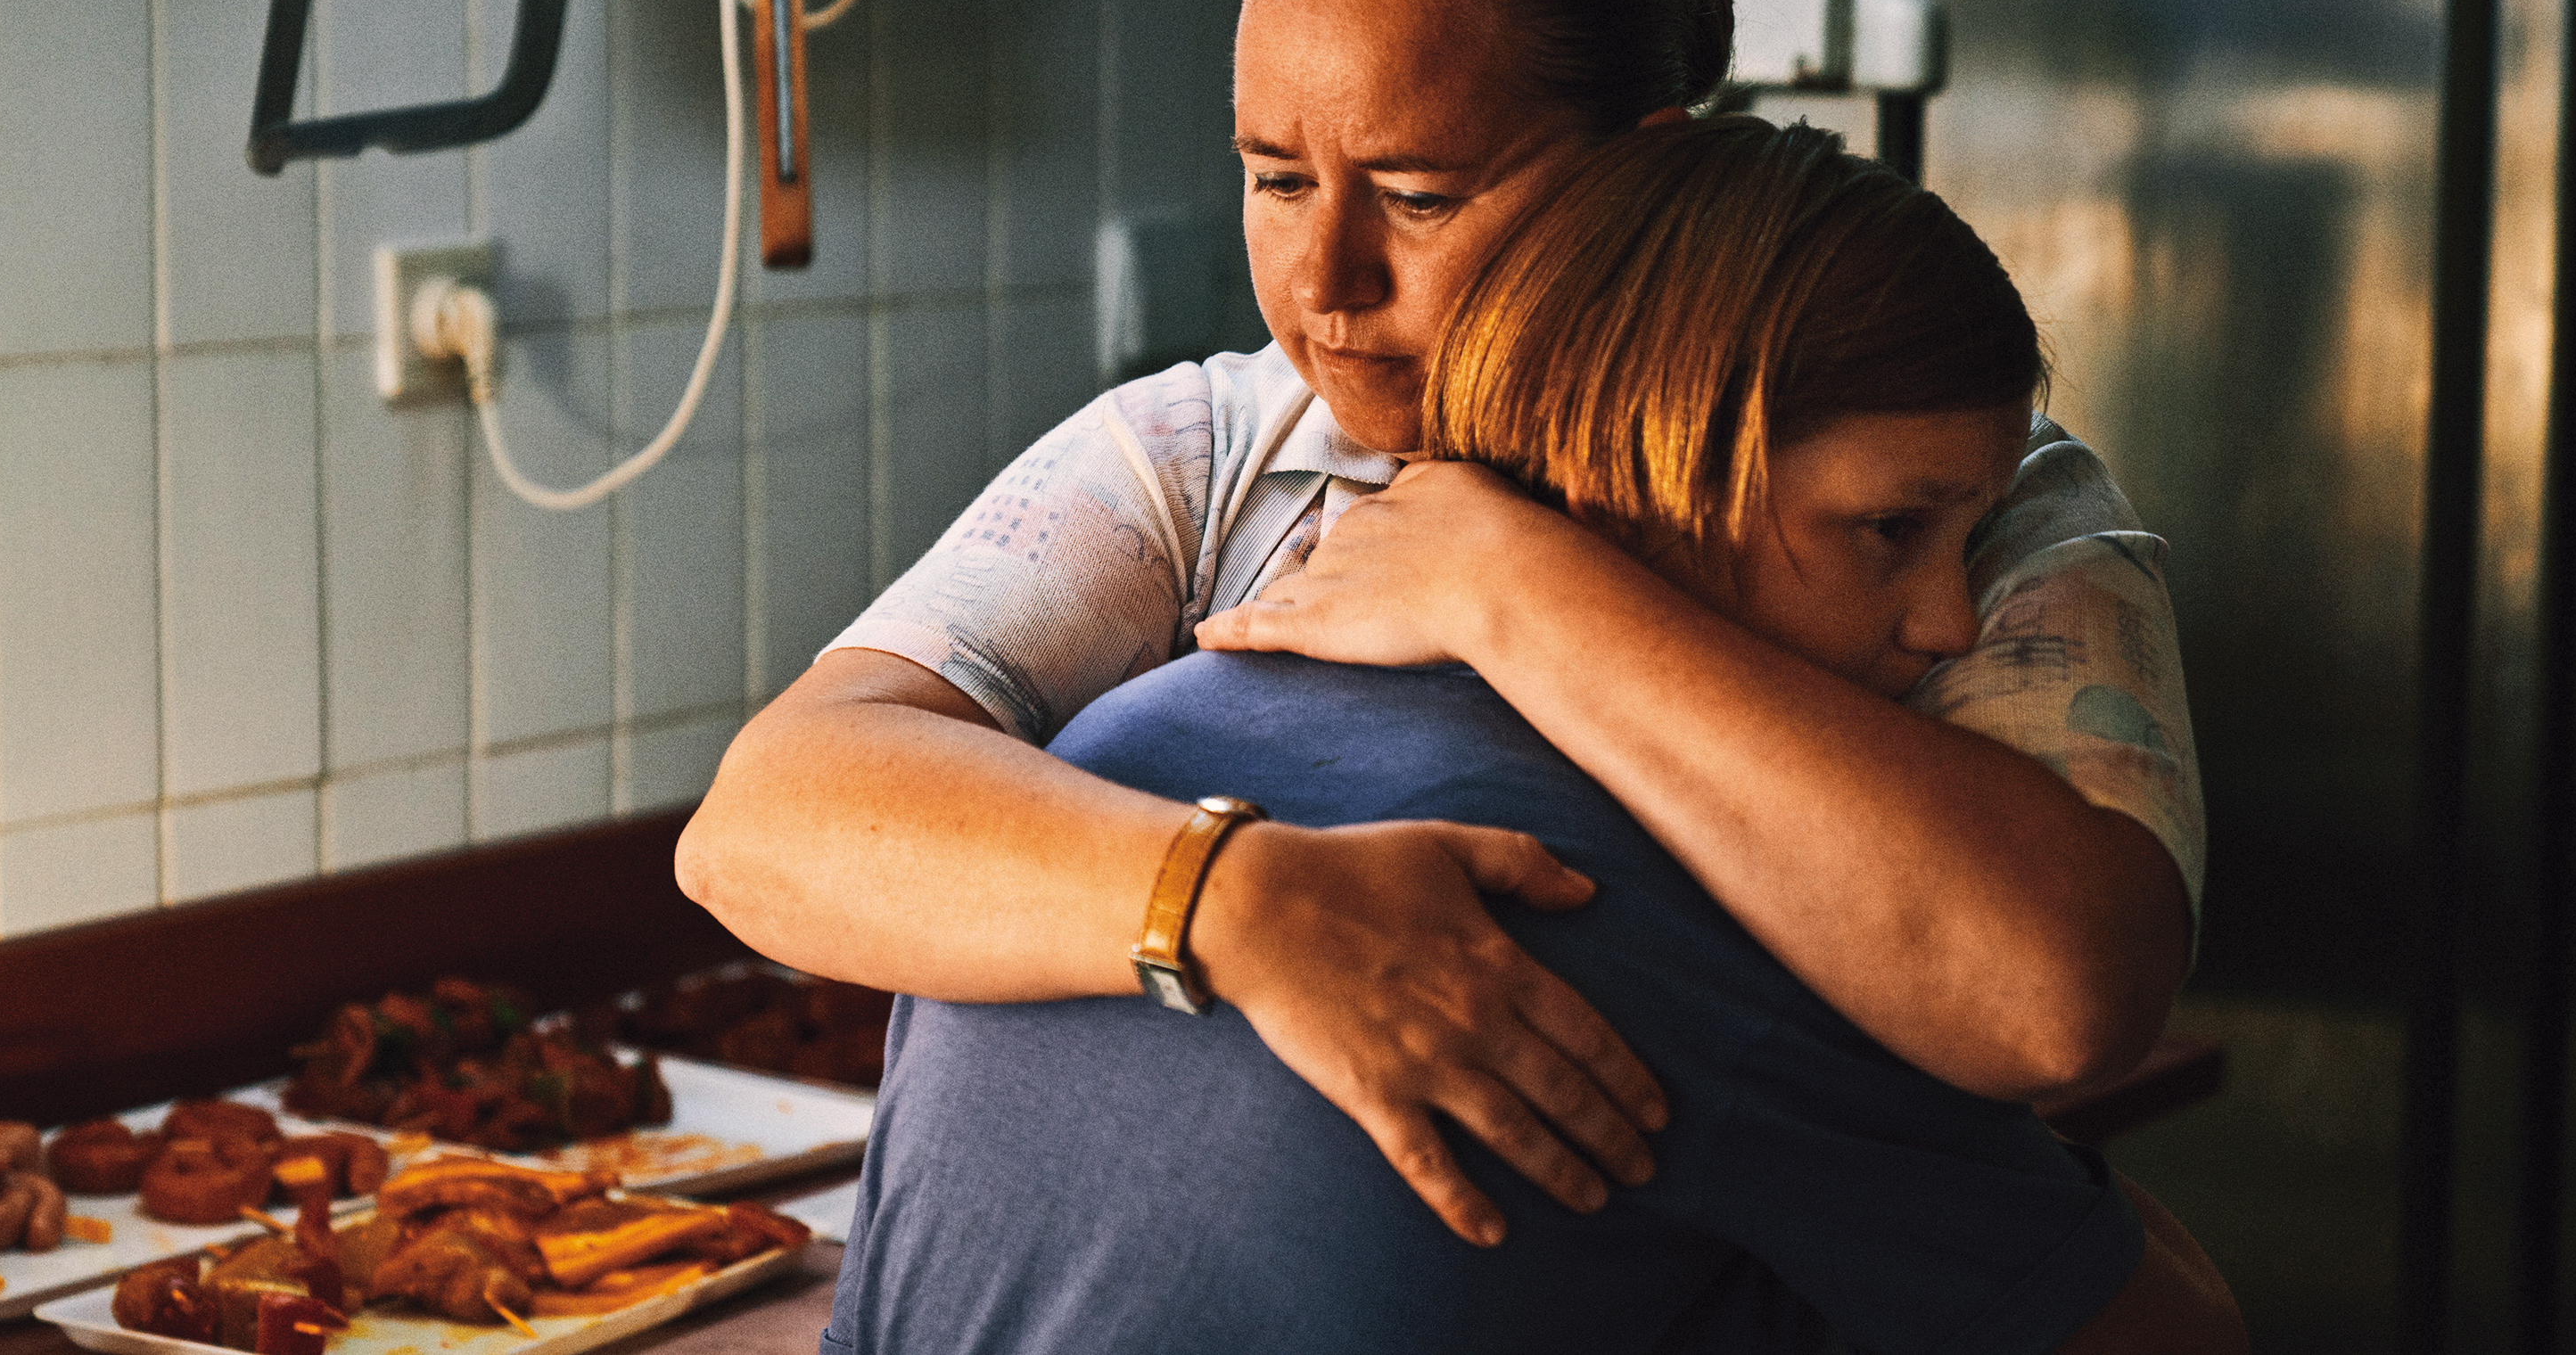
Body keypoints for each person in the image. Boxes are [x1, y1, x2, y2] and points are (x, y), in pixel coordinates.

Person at [679, 0, 2202, 1248]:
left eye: (1417, 196)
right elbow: (766, 825)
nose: (1324, 282)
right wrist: (1238, 901)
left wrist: (1510, 585)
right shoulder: (1200, 457)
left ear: (1643, 174)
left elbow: (2057, 1002)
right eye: (1278, 180)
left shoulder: (1944, 502)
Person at [822, 117, 2242, 1355]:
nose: (1946, 621)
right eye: (1888, 530)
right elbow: (2168, 1333)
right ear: (1666, 458)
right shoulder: (1656, 898)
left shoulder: (1097, 752)